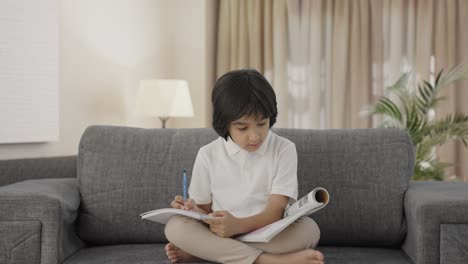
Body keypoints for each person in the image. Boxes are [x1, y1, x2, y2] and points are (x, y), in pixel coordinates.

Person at [164, 69, 324, 264]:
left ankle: (209, 252)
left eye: (262, 124)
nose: (255, 136)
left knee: (308, 230)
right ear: (225, 124)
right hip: (221, 232)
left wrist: (238, 226)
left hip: (266, 232)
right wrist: (192, 208)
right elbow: (204, 211)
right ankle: (267, 261)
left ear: (270, 118)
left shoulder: (284, 149)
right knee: (176, 226)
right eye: (242, 128)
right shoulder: (208, 154)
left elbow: (275, 212)